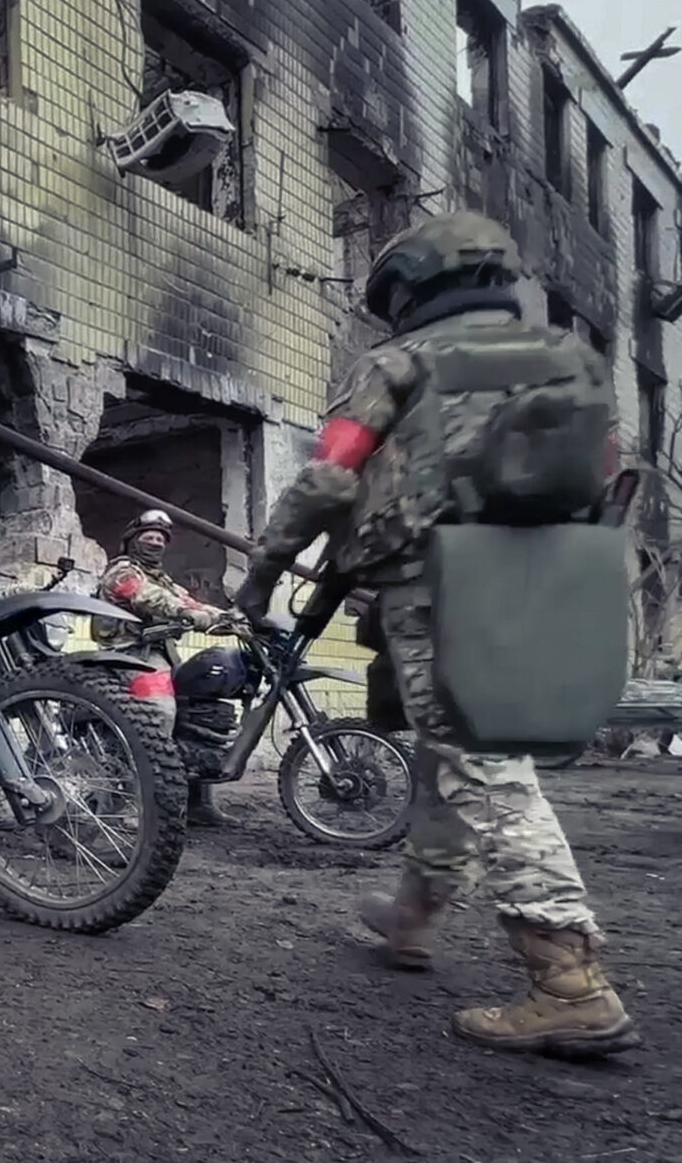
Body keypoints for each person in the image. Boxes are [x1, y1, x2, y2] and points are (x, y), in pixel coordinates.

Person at [233, 212, 638, 1058]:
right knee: (445, 749)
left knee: (477, 757)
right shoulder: (574, 360)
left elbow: (330, 473)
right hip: (547, 575)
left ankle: (567, 977)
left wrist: (265, 569)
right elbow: (605, 476)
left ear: (411, 287)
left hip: (437, 581)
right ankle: (414, 917)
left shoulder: (401, 362)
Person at [93, 509, 242, 826]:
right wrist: (193, 616)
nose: (155, 543)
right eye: (148, 538)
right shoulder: (121, 572)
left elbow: (188, 601)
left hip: (160, 654)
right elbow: (154, 600)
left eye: (160, 540)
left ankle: (197, 803)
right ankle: (135, 805)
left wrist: (228, 617)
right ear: (132, 540)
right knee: (160, 712)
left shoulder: (161, 577)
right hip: (128, 655)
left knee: (204, 711)